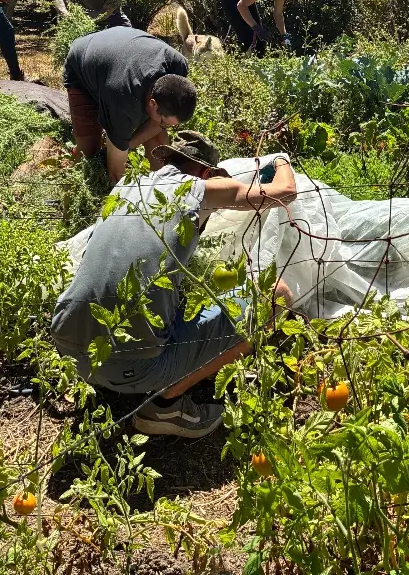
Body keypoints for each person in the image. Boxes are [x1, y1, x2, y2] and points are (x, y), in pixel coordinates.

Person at [50, 131, 297, 438]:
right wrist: (281, 159)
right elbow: (285, 191)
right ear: (206, 172)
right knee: (277, 296)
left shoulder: (125, 187)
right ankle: (167, 406)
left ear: (166, 160)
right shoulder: (199, 189)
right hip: (132, 370)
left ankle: (120, 377)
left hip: (69, 352)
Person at [63, 26, 198, 184]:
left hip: (121, 48)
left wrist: (127, 144)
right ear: (153, 104)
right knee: (89, 153)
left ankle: (162, 185)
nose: (165, 126)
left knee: (158, 140)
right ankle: (72, 185)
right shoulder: (122, 101)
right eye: (164, 123)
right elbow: (116, 173)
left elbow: (154, 127)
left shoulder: (177, 66)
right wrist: (116, 150)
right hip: (82, 60)